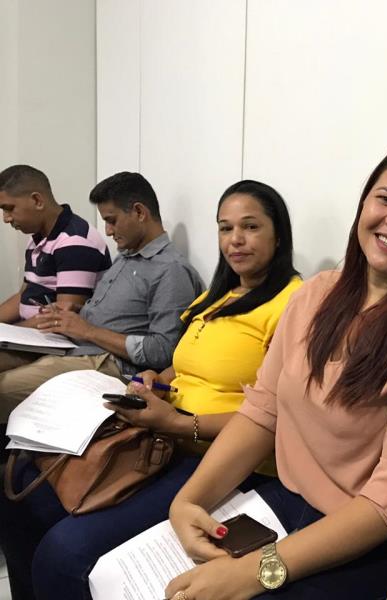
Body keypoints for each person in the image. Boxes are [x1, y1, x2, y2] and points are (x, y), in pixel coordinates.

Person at [163, 141, 387, 600]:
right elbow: (262, 412)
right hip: (286, 503)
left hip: (374, 539)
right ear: (364, 206)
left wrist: (257, 572)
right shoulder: (315, 295)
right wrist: (187, 502)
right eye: (386, 199)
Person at [0, 180, 302, 600]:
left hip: (218, 459)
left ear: (278, 234)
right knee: (19, 491)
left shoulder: (293, 304)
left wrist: (179, 422)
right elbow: (182, 362)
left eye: (250, 227)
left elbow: (278, 417)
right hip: (162, 437)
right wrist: (156, 380)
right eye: (225, 228)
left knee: (63, 555)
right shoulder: (219, 296)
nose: (235, 239)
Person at [0, 171, 203, 421]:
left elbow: (163, 350)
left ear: (139, 212)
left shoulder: (170, 270)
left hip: (108, 364)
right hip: (76, 348)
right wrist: (73, 315)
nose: (107, 231)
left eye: (112, 221)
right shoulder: (126, 257)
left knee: (3, 389)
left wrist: (87, 331)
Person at [0, 165, 110, 352]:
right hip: (32, 333)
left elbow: (61, 318)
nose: (6, 218)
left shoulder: (75, 241)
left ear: (37, 201)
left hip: (56, 340)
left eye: (9, 209)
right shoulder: (38, 239)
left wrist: (12, 332)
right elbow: (24, 295)